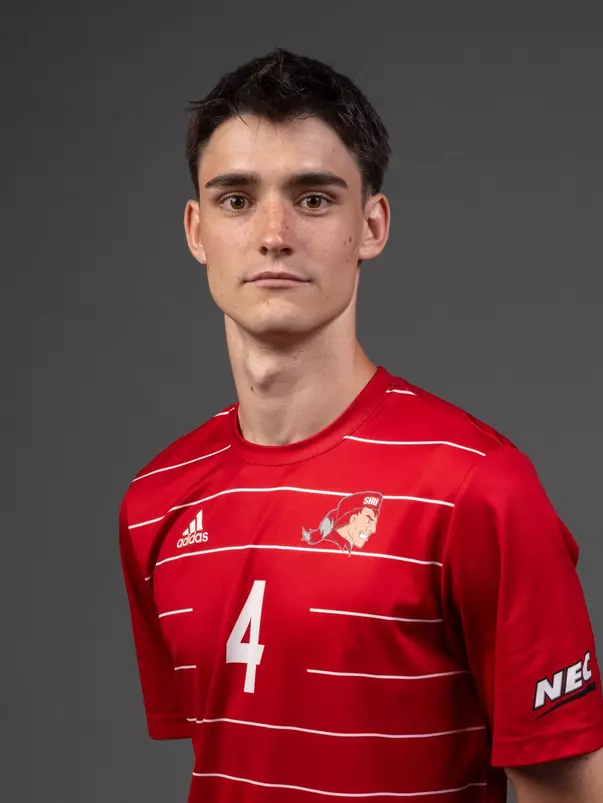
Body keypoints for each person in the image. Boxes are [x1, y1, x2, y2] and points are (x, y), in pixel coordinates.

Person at [119, 49, 603, 802]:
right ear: (196, 230)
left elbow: (569, 789)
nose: (273, 233)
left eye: (313, 198)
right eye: (236, 199)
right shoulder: (155, 500)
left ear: (370, 225)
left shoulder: (476, 488)